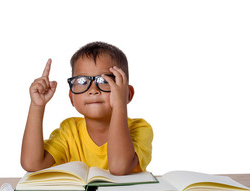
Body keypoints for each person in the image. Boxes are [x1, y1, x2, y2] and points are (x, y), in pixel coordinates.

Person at [20, 42, 153, 175]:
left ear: (127, 94)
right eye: (82, 81)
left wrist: (120, 105)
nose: (93, 90)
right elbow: (32, 164)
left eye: (105, 81)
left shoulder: (140, 129)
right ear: (71, 97)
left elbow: (119, 167)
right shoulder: (69, 131)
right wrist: (37, 106)